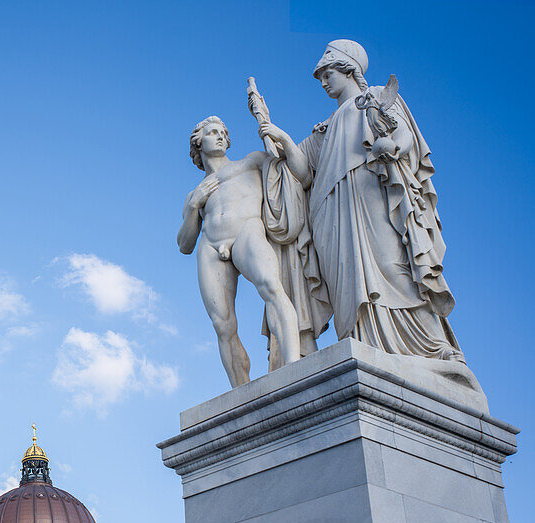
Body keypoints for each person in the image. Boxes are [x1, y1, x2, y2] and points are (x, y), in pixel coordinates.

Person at [290, 40, 462, 361]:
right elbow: (297, 168)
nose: (324, 81)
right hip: (330, 213)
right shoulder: (321, 132)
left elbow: (405, 135)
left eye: (328, 73)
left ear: (348, 69)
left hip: (373, 196)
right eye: (321, 76)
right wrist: (270, 130)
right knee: (347, 281)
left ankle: (433, 346)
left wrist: (393, 145)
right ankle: (362, 345)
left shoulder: (374, 98)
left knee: (392, 265)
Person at [178, 117, 304, 386]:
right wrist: (193, 207)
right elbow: (184, 245)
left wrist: (276, 134)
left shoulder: (251, 162)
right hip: (211, 244)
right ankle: (241, 390)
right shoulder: (194, 194)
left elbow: (291, 168)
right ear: (198, 142)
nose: (221, 136)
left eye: (223, 132)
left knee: (272, 287)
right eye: (213, 133)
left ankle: (294, 365)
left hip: (247, 230)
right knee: (222, 324)